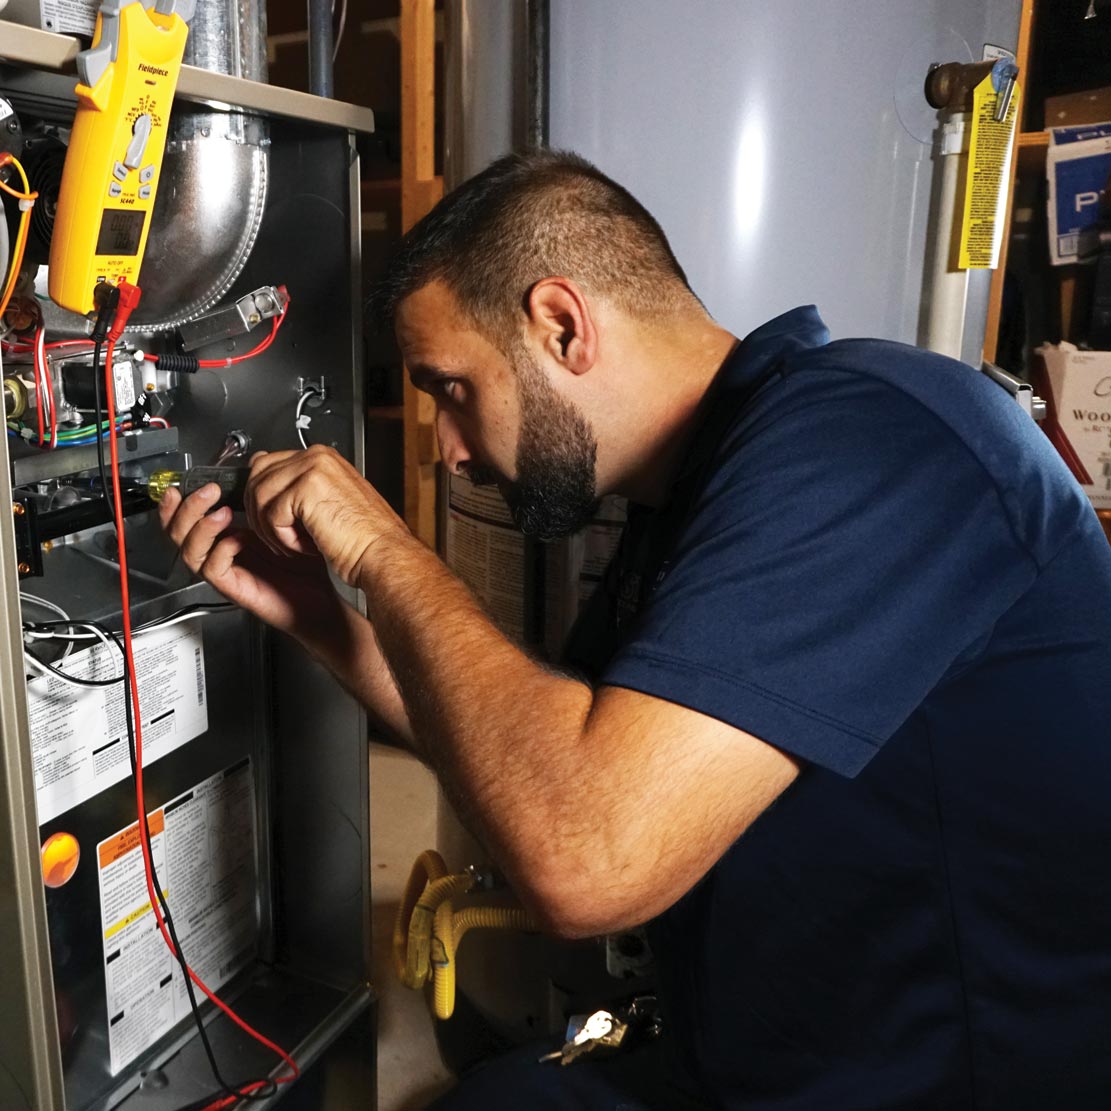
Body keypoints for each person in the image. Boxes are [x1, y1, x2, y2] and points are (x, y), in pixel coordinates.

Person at [159, 150, 1111, 1110]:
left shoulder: (878, 431)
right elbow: (528, 757)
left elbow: (585, 862)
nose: (448, 450)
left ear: (561, 325)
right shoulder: (694, 495)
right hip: (754, 1054)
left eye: (449, 386)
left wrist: (383, 551)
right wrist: (324, 619)